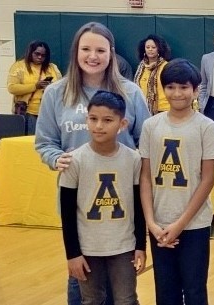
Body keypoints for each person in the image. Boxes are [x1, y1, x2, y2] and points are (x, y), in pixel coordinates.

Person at [35, 21, 150, 305]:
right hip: (82, 204)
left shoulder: (131, 93)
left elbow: (145, 143)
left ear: (111, 53)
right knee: (83, 287)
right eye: (86, 49)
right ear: (76, 51)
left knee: (123, 293)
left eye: (100, 50)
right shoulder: (56, 93)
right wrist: (54, 157)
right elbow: (44, 142)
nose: (93, 56)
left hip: (122, 206)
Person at [139, 58, 214, 304]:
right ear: (164, 89)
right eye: (171, 87)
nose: (177, 93)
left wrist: (180, 224)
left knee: (195, 290)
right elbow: (145, 177)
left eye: (184, 87)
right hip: (159, 226)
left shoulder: (206, 127)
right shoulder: (151, 126)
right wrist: (151, 222)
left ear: (195, 90)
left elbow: (207, 180)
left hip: (194, 225)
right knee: (165, 292)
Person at [59, 91, 145, 305]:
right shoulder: (74, 160)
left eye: (107, 120)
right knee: (91, 299)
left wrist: (141, 246)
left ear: (122, 124)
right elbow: (67, 212)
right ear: (86, 120)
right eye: (93, 119)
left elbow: (139, 206)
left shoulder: (133, 159)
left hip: (124, 246)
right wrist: (72, 254)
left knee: (126, 299)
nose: (99, 126)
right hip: (88, 248)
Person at [7, 40, 62, 134]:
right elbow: (12, 88)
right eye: (37, 54)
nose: (40, 57)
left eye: (43, 55)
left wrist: (51, 87)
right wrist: (35, 86)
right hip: (28, 112)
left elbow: (62, 87)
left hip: (49, 113)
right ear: (30, 52)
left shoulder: (52, 67)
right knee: (30, 142)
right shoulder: (19, 66)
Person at [134, 34, 171, 114]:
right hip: (143, 110)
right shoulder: (141, 68)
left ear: (159, 49)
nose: (150, 49)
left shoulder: (166, 66)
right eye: (147, 47)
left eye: (153, 47)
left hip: (163, 110)